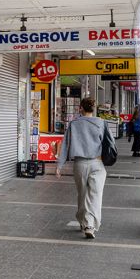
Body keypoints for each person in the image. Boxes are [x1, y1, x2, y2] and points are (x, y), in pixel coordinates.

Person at [57, 96, 108, 239]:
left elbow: (65, 145)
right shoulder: (101, 123)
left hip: (80, 164)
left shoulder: (74, 124)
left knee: (83, 194)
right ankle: (87, 223)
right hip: (97, 163)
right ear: (93, 109)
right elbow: (109, 143)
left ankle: (86, 223)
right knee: (95, 195)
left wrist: (59, 165)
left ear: (80, 108)